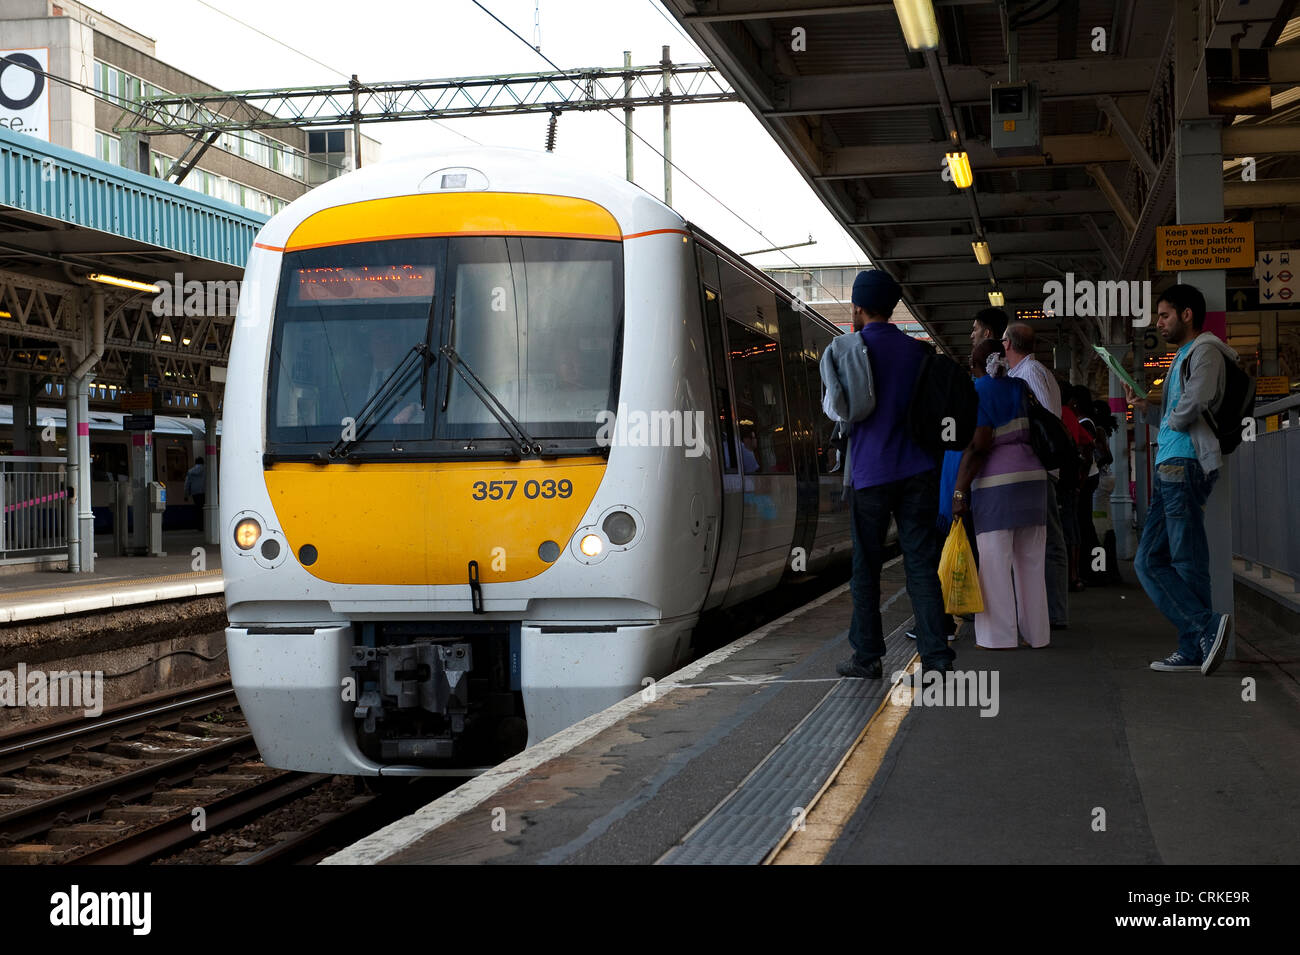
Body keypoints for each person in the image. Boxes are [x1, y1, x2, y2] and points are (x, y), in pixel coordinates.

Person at [834, 270, 954, 679]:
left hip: (871, 473)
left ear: (858, 307)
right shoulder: (920, 352)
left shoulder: (847, 349)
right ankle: (937, 656)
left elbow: (836, 411)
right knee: (921, 563)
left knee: (865, 566)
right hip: (919, 470)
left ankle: (867, 656)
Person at [1125, 284, 1234, 675]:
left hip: (1184, 463)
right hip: (1171, 462)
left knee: (1183, 559)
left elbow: (1198, 400)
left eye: (1165, 314)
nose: (1159, 322)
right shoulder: (1182, 357)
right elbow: (1178, 413)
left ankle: (1201, 632)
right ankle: (1197, 642)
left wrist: (1169, 416)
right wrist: (1147, 408)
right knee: (1152, 560)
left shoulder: (1205, 350)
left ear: (1187, 314)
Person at [953, 340, 1050, 649]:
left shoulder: (978, 391)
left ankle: (999, 637)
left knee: (995, 563)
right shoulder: (1021, 387)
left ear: (977, 363)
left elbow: (979, 445)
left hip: (997, 487)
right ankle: (1038, 635)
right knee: (1032, 563)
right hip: (1034, 481)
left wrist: (959, 490)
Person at [1003, 323, 1069, 629]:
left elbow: (1044, 422)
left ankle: (1052, 614)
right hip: (1037, 471)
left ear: (1007, 344)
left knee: (1047, 543)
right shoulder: (1031, 372)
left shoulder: (1029, 375)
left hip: (1037, 471)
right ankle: (1044, 613)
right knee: (1040, 543)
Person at [184, 456, 205, 531]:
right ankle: (206, 524)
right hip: (204, 492)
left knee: (198, 509)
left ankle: (199, 526)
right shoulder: (206, 470)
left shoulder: (190, 471)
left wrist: (186, 494)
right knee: (204, 509)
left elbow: (187, 483)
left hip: (195, 493)